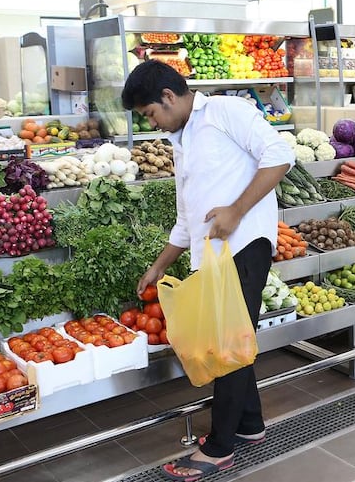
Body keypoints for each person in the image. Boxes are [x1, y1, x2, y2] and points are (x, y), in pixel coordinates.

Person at [121, 60, 295, 481]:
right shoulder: (182, 140)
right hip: (213, 257)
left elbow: (280, 155)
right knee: (232, 338)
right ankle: (250, 424)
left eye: (151, 114)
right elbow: (188, 218)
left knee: (226, 346)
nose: (155, 124)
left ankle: (219, 448)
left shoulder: (225, 113)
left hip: (244, 246)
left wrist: (237, 210)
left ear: (168, 96)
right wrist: (158, 266)